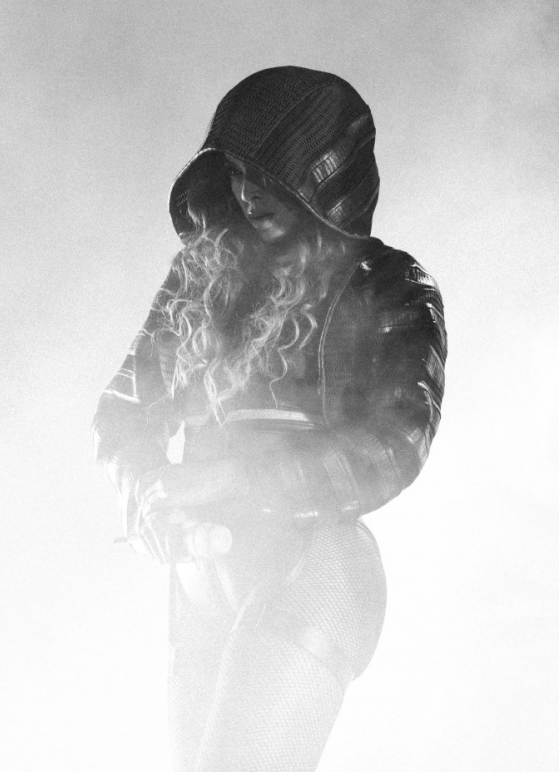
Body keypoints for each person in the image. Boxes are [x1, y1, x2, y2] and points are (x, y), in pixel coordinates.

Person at [93, 66, 446, 772]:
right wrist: (150, 494)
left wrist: (236, 477)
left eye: (271, 174)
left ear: (328, 175)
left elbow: (397, 443)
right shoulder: (201, 274)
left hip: (311, 571)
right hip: (198, 584)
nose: (251, 193)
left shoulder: (391, 286)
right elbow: (123, 413)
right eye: (238, 174)